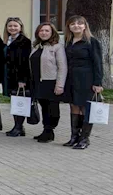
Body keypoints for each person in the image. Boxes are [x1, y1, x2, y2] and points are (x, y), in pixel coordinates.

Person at [63, 16, 104, 150]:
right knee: (74, 106)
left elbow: (98, 63)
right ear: (68, 27)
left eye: (79, 24)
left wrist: (98, 83)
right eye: (73, 24)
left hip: (86, 79)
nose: (76, 26)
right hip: (71, 79)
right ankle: (74, 136)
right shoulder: (68, 41)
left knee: (85, 108)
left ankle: (84, 139)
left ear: (85, 26)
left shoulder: (92, 42)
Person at [29, 22, 68, 143]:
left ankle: (50, 130)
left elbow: (63, 67)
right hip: (38, 82)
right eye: (41, 31)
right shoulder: (36, 46)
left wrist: (60, 85)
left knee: (52, 109)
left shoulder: (57, 47)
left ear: (52, 33)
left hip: (51, 82)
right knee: (44, 107)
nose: (44, 33)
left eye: (47, 31)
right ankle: (46, 130)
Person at [3, 17, 32, 137]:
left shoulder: (25, 41)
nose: (12, 28)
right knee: (15, 101)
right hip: (10, 76)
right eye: (10, 26)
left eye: (15, 26)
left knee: (19, 102)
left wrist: (22, 80)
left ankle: (18, 127)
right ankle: (18, 126)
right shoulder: (9, 40)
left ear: (20, 27)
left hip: (20, 77)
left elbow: (24, 62)